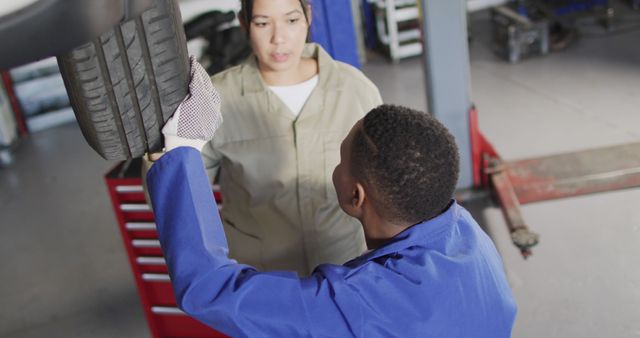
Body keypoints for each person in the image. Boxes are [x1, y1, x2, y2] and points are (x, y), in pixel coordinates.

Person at [145, 59, 517, 337]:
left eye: (340, 160)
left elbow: (208, 290)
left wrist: (183, 148)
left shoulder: (359, 305)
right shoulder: (469, 236)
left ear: (356, 196)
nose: (336, 167)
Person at [200, 0, 383, 275]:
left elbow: (383, 183)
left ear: (308, 16)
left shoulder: (355, 90)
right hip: (260, 275)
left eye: (292, 20)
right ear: (243, 23)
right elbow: (180, 192)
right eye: (262, 23)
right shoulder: (214, 99)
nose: (279, 38)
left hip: (344, 268)